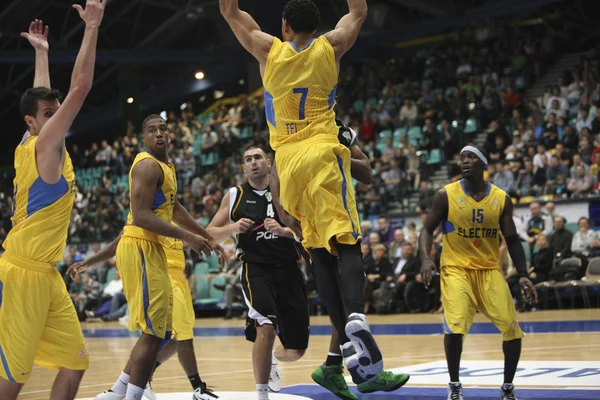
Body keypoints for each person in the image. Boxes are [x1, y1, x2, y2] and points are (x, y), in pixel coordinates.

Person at [220, 0, 409, 392]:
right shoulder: (332, 46)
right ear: (318, 26)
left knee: (320, 253)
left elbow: (230, 11)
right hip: (323, 151)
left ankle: (340, 353)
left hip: (287, 162)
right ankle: (355, 316)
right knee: (349, 243)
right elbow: (358, 13)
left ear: (285, 26)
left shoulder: (268, 50)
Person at [0, 5, 105, 398]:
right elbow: (80, 88)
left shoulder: (31, 139)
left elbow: (41, 100)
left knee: (75, 362)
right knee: (13, 377)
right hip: (23, 275)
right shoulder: (44, 144)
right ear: (32, 122)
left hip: (48, 275)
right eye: (50, 113)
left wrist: (41, 54)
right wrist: (91, 26)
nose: (58, 115)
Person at [92, 114, 225, 400]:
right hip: (141, 246)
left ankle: (120, 392)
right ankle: (134, 394)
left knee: (161, 332)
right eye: (152, 130)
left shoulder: (166, 167)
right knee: (156, 332)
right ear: (144, 138)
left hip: (152, 249)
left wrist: (207, 236)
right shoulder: (148, 165)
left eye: (163, 129)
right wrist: (188, 237)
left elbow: (176, 210)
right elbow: (140, 216)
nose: (159, 134)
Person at [419, 145, 538, 400]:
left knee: (512, 328)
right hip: (455, 269)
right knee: (455, 327)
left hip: (488, 269)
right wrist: (426, 260)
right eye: (462, 157)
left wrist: (524, 274)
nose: (465, 161)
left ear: (483, 164)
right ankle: (454, 385)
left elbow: (513, 239)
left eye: (471, 157)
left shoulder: (501, 198)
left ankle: (507, 387)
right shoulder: (445, 195)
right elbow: (427, 230)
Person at [207, 145, 309, 400]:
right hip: (256, 269)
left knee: (296, 350)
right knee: (266, 324)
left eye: (258, 158)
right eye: (248, 159)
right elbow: (207, 233)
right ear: (243, 167)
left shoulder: (287, 190)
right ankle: (261, 394)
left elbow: (308, 228)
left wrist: (286, 231)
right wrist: (232, 228)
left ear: (269, 162)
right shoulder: (234, 195)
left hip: (289, 269)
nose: (253, 162)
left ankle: (273, 360)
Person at [68, 229, 218, 399]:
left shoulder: (171, 213)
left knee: (172, 339)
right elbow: (117, 243)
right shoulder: (148, 215)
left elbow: (207, 231)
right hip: (164, 278)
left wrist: (211, 238)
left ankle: (132, 382)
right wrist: (88, 263)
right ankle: (198, 388)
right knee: (173, 336)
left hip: (179, 280)